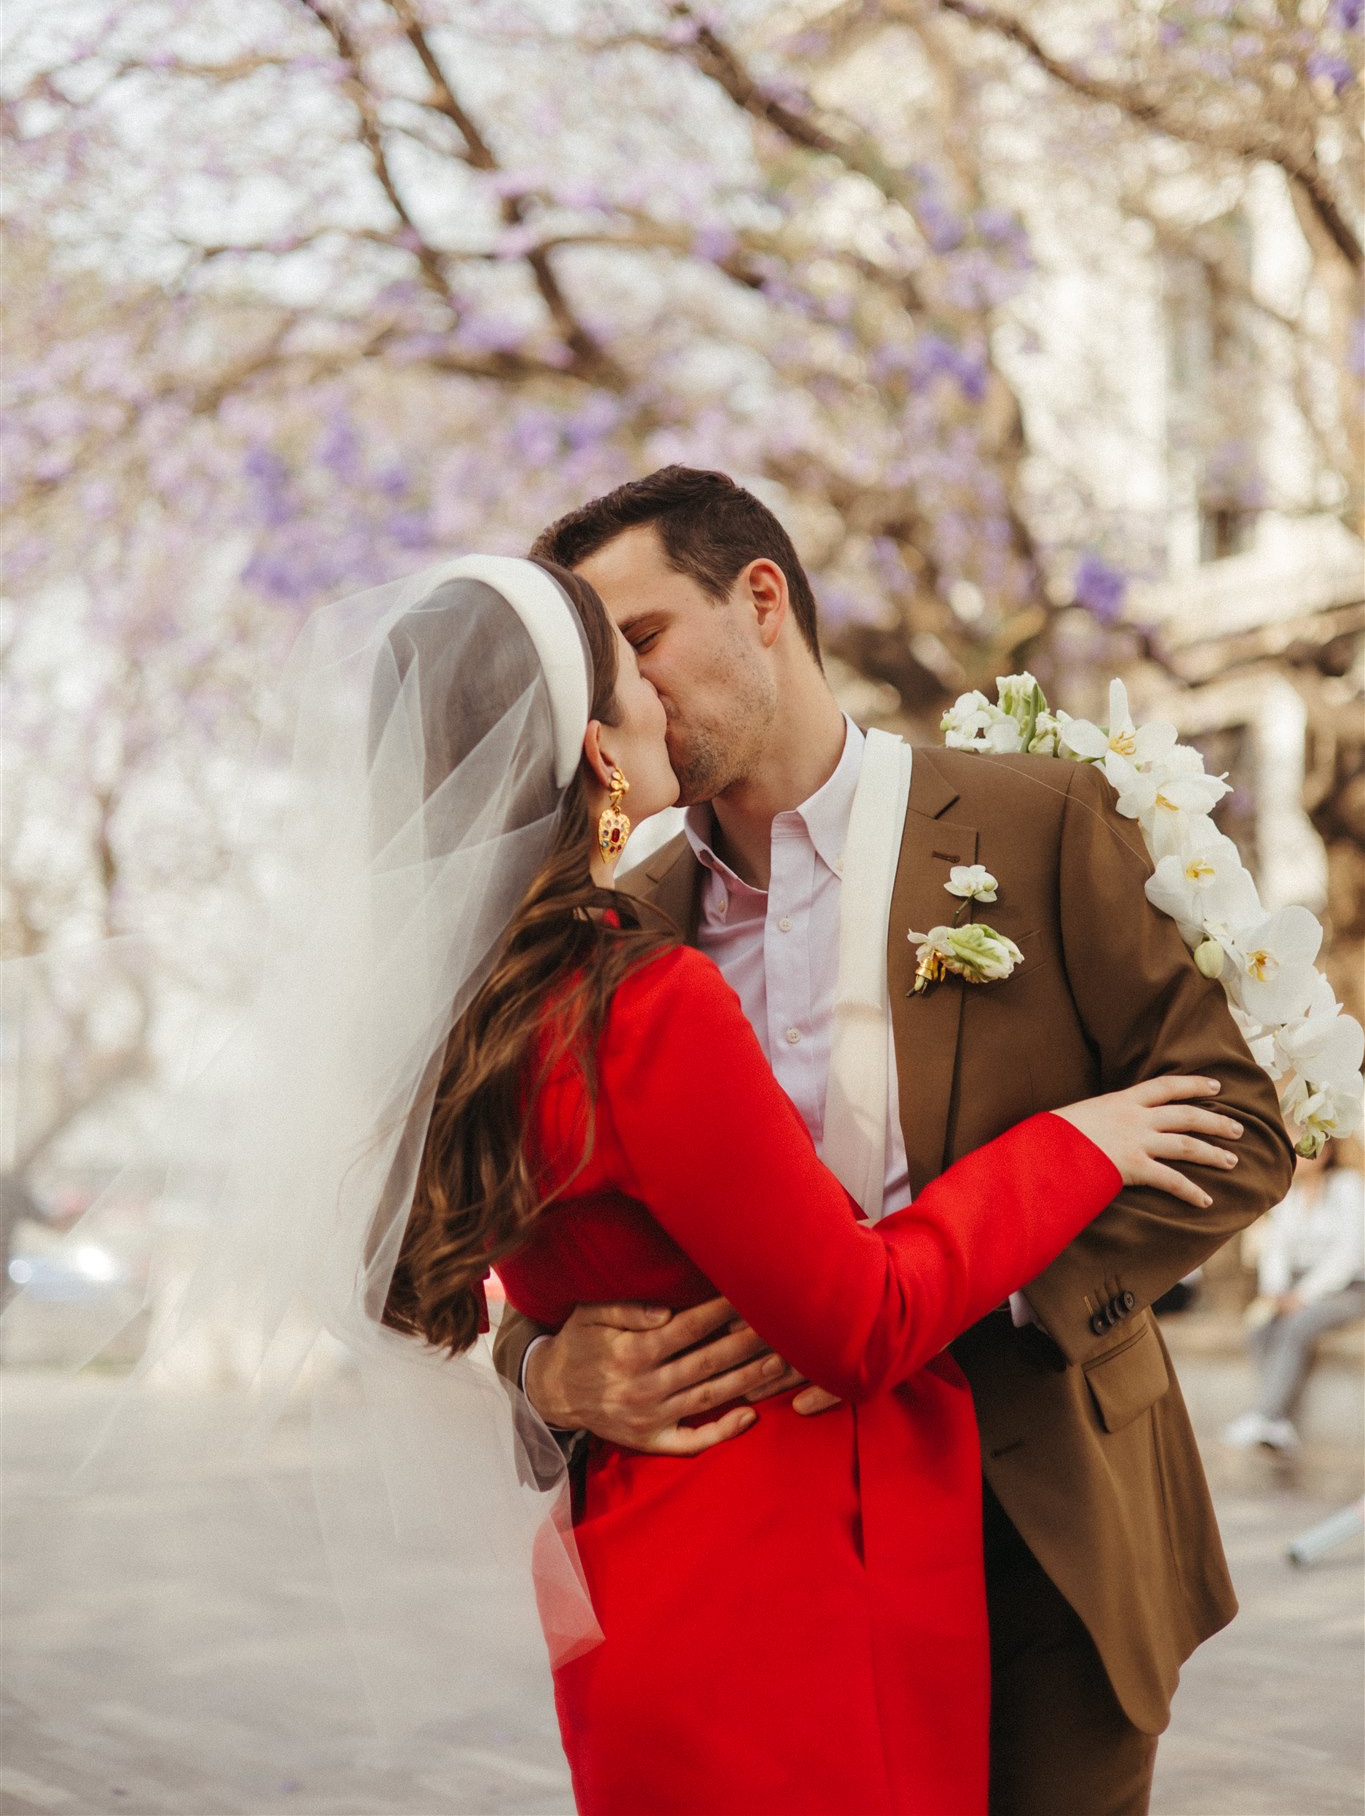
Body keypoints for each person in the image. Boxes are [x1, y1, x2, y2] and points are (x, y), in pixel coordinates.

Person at [380, 551, 1244, 1816]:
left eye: (648, 634)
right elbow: (859, 1319)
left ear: (763, 600)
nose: (650, 687)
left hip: (708, 1582)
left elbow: (414, 1282)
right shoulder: (636, 983)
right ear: (592, 746)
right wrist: (1074, 1144)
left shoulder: (466, 1008)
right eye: (623, 666)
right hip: (802, 1584)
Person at [1223, 1142, 1365, 1452]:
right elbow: (1276, 1248)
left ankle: (1267, 1415)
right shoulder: (1290, 1194)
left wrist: (1303, 1296)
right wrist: (1276, 1292)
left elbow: (1348, 1252)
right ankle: (1277, 1422)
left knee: (1300, 1325)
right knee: (1260, 1327)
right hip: (1295, 1286)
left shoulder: (1348, 1187)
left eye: (1300, 1149)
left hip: (1348, 1287)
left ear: (1323, 1151)